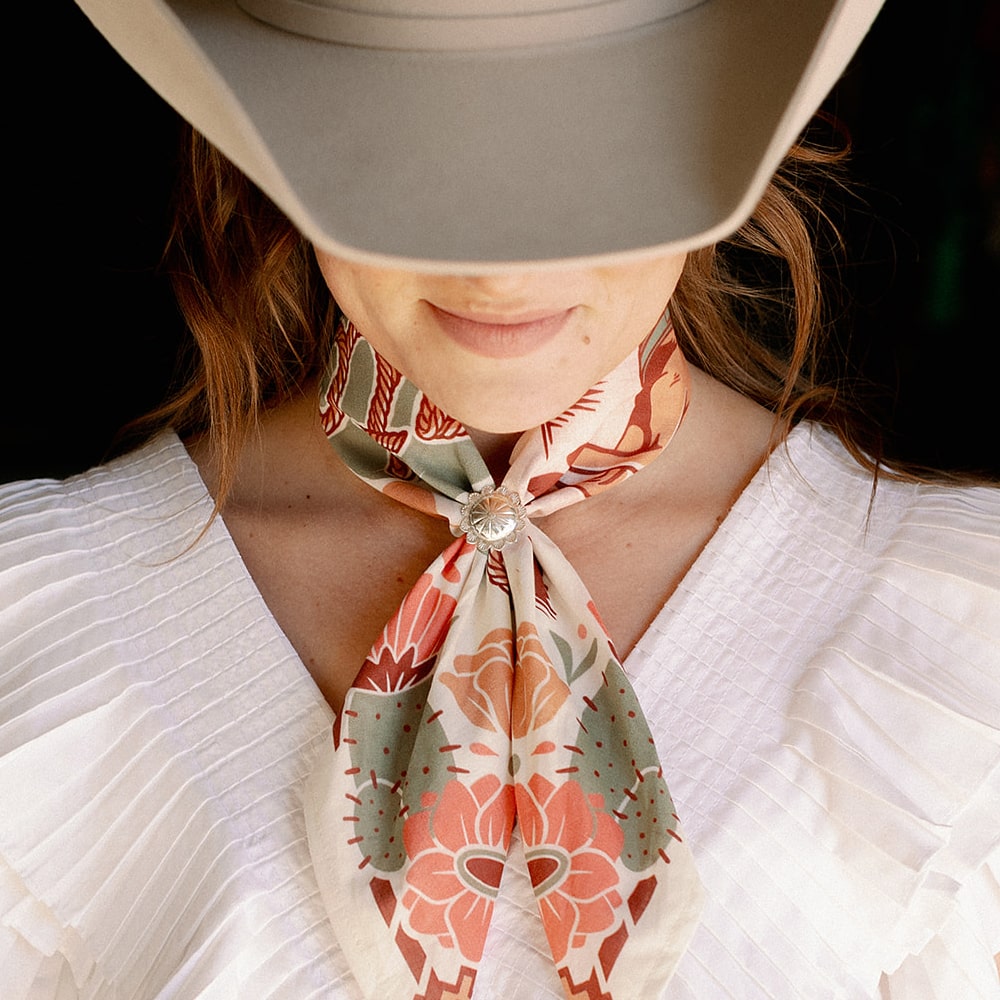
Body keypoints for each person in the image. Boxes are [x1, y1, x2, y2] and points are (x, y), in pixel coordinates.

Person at [1, 1, 997, 998]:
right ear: (283, 138)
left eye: (587, 155)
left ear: (714, 136)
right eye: (417, 155)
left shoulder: (960, 641)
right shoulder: (37, 633)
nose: (499, 268)